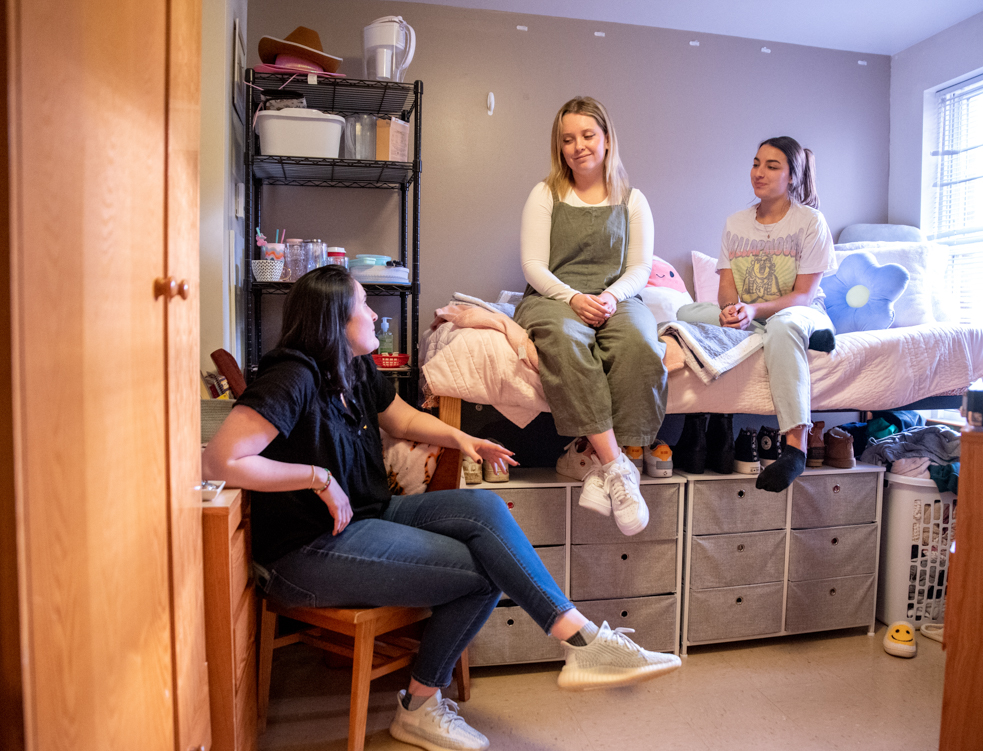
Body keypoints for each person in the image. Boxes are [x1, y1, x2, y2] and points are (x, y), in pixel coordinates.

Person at [202, 265, 680, 751]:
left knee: (486, 513)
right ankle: (423, 705)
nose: (373, 315)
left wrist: (464, 438)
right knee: (482, 573)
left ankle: (577, 640)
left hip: (365, 517)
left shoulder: (354, 365)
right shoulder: (293, 375)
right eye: (363, 306)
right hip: (304, 552)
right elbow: (220, 458)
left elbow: (402, 419)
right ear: (333, 321)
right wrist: (315, 476)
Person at [515, 96, 666, 536]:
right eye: (567, 139)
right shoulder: (544, 194)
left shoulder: (633, 200)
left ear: (605, 139)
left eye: (586, 135)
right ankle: (617, 467)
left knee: (640, 343)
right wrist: (573, 298)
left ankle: (594, 464)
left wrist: (612, 298)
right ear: (558, 147)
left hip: (616, 298)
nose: (577, 146)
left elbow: (641, 268)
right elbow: (532, 266)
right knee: (564, 340)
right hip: (554, 297)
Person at [715, 136, 837, 493]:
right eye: (756, 163)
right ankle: (806, 337)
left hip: (799, 310)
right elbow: (726, 284)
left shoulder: (810, 222)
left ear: (792, 177)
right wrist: (729, 311)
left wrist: (751, 309)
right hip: (753, 313)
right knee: (688, 314)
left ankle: (796, 447)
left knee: (783, 328)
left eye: (772, 166)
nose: (759, 173)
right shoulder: (736, 223)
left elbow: (802, 295)